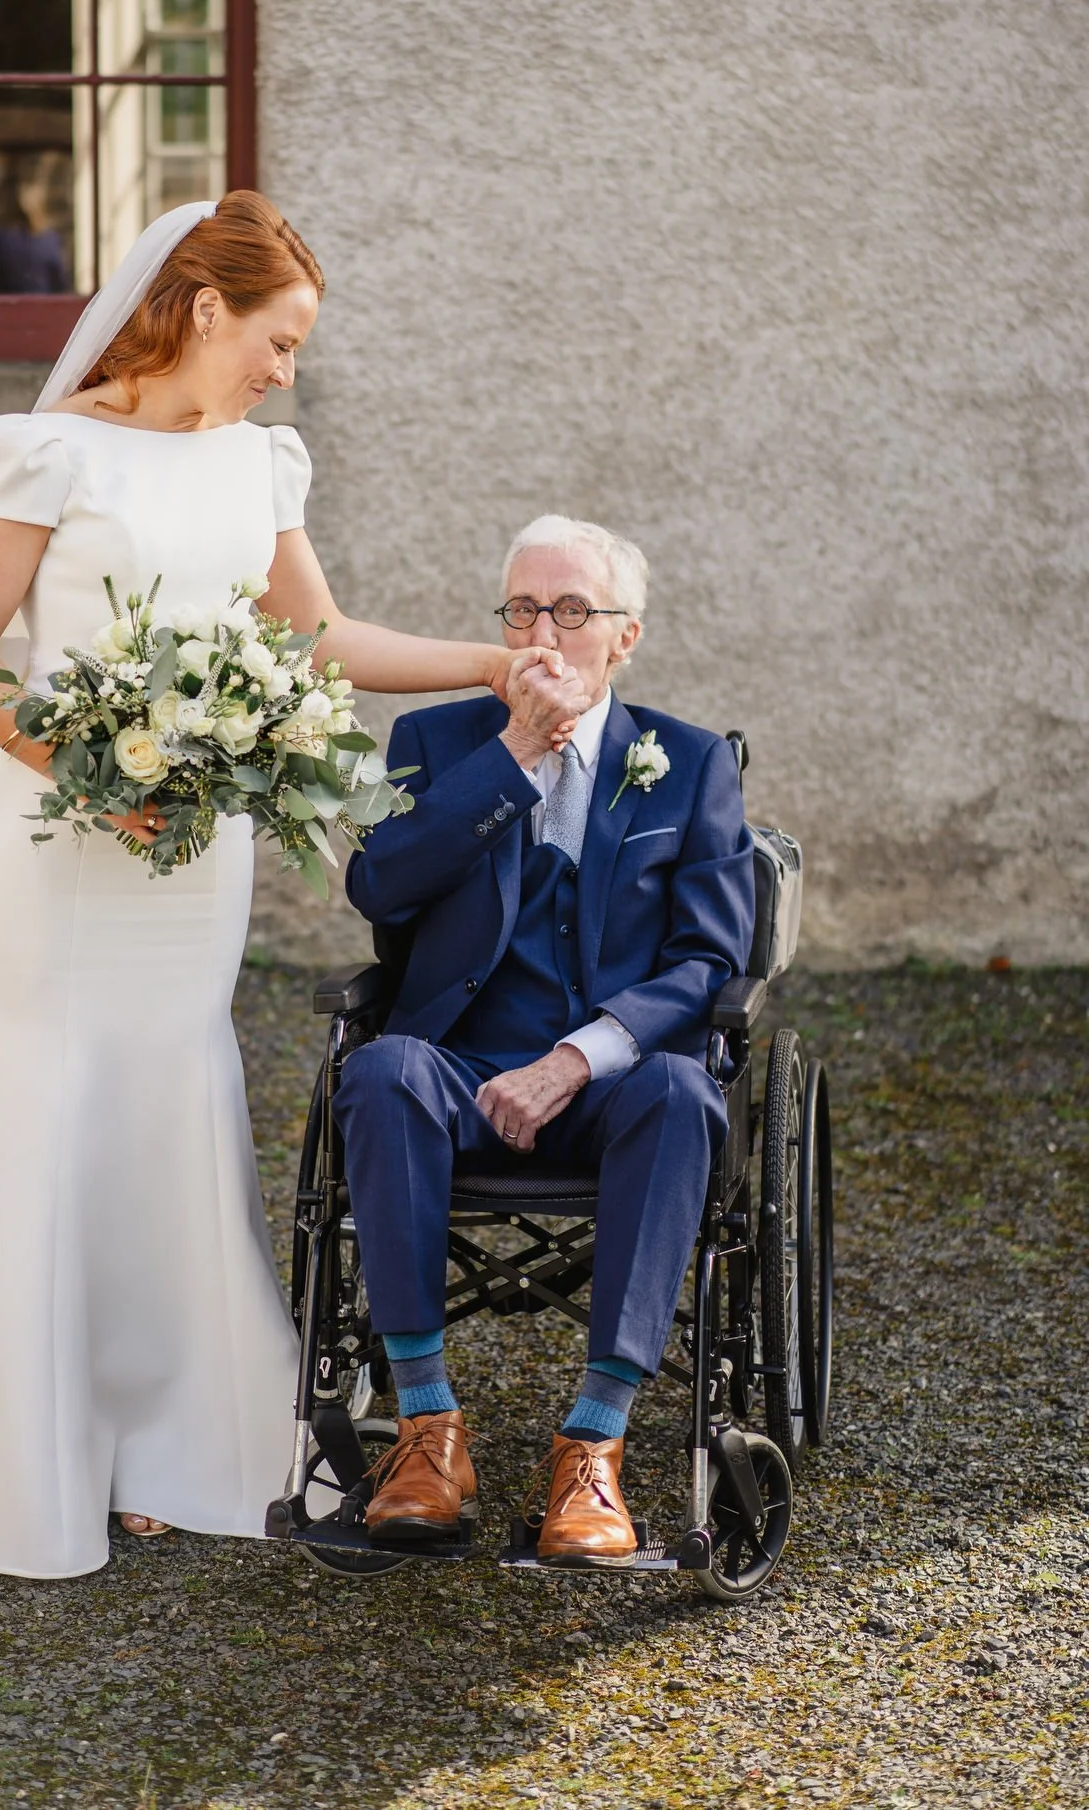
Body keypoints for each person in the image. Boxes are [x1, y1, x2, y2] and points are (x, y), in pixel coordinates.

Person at [0, 192, 568, 1579]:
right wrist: (89, 765)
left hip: (191, 851)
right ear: (205, 308)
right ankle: (17, 1442)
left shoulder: (260, 465)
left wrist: (490, 661)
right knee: (44, 1084)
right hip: (58, 840)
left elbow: (321, 637)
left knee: (167, 1088)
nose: (290, 371)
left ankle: (162, 1437)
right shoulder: (44, 453)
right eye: (279, 340)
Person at [335, 514, 755, 1563]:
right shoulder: (434, 744)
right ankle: (429, 1430)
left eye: (572, 611)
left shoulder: (691, 763)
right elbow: (377, 885)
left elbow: (709, 962)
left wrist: (577, 1059)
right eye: (523, 609)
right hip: (459, 1067)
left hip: (608, 1083)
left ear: (626, 638)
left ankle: (595, 1447)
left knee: (681, 1095)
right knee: (381, 1069)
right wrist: (517, 753)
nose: (544, 634)